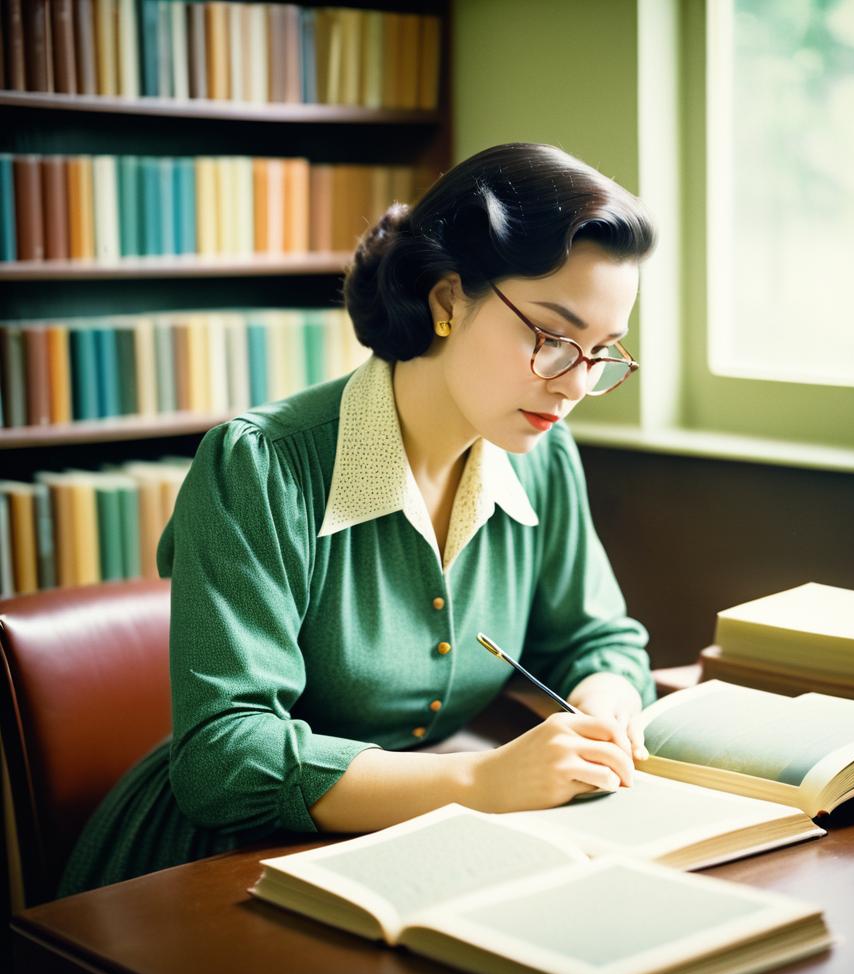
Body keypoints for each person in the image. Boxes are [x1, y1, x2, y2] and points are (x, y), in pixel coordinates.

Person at [59, 141, 658, 897]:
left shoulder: (541, 451)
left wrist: (606, 701)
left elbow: (597, 637)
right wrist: (477, 779)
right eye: (552, 337)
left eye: (602, 353)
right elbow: (224, 760)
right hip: (218, 865)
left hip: (419, 847)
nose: (573, 385)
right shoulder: (261, 467)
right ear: (446, 299)